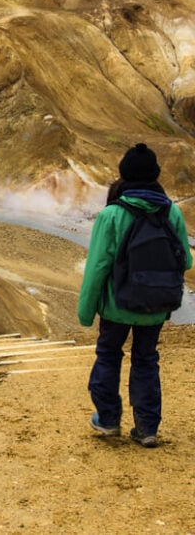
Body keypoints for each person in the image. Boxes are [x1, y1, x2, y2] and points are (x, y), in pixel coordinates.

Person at [78, 142, 192, 447]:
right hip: (155, 307)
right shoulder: (173, 213)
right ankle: (147, 428)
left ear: (124, 175)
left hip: (117, 306)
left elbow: (97, 268)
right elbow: (187, 261)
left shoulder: (112, 214)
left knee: (108, 355)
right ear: (154, 175)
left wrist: (86, 312)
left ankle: (108, 420)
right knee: (146, 360)